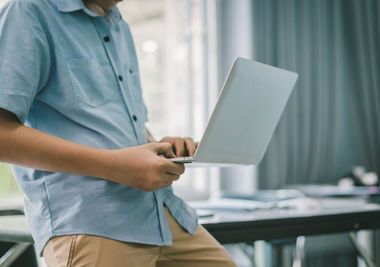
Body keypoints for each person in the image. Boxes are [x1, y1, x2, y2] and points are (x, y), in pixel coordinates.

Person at [0, 0, 237, 266]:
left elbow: (107, 123)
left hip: (161, 215)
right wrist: (117, 166)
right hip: (92, 223)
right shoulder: (28, 13)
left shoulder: (116, 23)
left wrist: (158, 147)